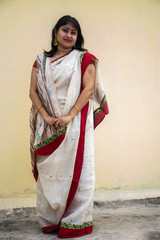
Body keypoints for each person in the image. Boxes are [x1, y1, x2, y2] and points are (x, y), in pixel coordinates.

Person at [29, 15, 109, 238]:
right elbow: (33, 92)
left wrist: (68, 116)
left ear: (77, 37)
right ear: (56, 33)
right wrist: (45, 116)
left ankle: (75, 219)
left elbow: (88, 89)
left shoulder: (84, 59)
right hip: (47, 122)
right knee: (49, 172)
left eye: (73, 32)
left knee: (78, 170)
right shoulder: (40, 61)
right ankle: (51, 219)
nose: (68, 35)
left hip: (74, 121)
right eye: (65, 30)